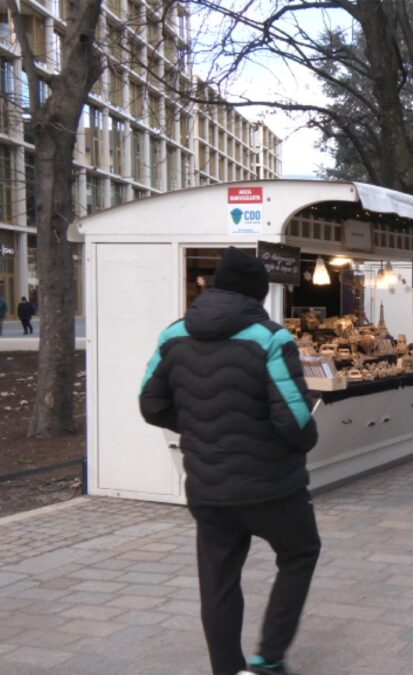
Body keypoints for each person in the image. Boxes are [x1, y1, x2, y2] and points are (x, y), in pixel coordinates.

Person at [139, 246, 321, 675]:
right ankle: (268, 657)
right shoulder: (272, 339)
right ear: (259, 295)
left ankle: (227, 668)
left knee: (218, 579)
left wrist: (200, 430)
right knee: (299, 553)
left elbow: (150, 404)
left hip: (207, 484)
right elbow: (295, 421)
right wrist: (304, 441)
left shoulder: (173, 335)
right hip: (273, 486)